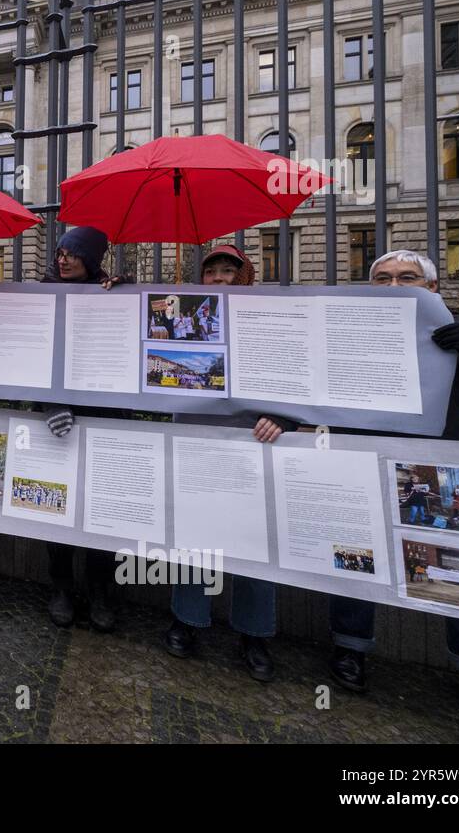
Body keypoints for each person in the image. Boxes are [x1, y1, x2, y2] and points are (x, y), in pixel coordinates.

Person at [327, 249, 459, 729]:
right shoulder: (348, 332)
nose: (395, 287)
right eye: (384, 279)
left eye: (408, 278)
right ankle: (350, 650)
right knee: (357, 555)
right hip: (363, 463)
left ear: (432, 289)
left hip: (440, 468)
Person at [158, 244, 297, 683]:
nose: (219, 278)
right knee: (195, 536)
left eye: (228, 272)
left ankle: (254, 634)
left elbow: (295, 375)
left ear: (244, 275)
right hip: (195, 438)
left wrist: (284, 417)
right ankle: (187, 619)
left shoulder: (268, 318)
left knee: (254, 540)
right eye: (212, 272)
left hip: (252, 442)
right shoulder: (188, 315)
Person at [40, 226, 131, 632]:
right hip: (57, 422)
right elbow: (33, 356)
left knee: (101, 511)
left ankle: (99, 593)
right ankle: (60, 589)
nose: (62, 260)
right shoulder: (43, 292)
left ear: (90, 260)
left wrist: (128, 290)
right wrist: (50, 403)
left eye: (72, 254)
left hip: (104, 418)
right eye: (60, 252)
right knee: (56, 507)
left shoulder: (112, 292)